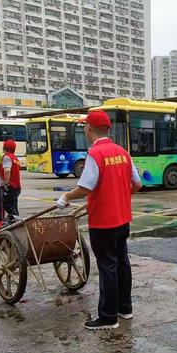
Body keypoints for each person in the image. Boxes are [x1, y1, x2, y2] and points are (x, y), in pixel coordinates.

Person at [56, 110, 142, 330]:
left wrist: (66, 197)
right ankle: (125, 308)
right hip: (123, 220)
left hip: (103, 222)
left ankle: (107, 317)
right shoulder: (122, 152)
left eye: (85, 126)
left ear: (89, 128)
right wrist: (120, 197)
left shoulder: (95, 154)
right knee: (122, 263)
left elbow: (85, 187)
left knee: (108, 267)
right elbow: (137, 184)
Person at [0, 139, 21, 228]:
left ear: (4, 147)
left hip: (10, 186)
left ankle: (17, 221)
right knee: (13, 205)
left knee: (7, 204)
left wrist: (5, 183)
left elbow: (7, 171)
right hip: (16, 186)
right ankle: (15, 222)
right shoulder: (14, 158)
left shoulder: (7, 157)